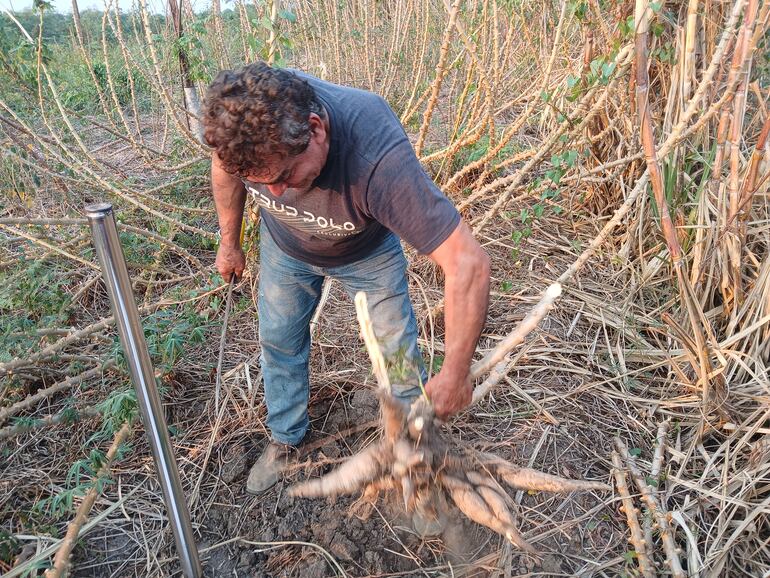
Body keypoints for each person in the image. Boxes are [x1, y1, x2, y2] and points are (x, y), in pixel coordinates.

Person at [203, 62, 490, 494]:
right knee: (278, 338)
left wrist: (454, 374)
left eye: (283, 176)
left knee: (395, 349)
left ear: (315, 130)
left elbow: (468, 264)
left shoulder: (376, 157)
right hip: (286, 250)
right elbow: (227, 169)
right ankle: (286, 437)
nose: (276, 193)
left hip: (366, 253)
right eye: (260, 182)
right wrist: (230, 241)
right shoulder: (243, 135)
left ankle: (414, 451)